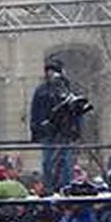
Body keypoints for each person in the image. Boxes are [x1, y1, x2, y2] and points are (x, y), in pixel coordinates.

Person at [30, 56, 80, 193]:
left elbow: (76, 110)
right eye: (48, 71)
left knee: (65, 161)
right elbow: (35, 111)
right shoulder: (41, 90)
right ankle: (49, 186)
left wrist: (76, 129)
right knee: (48, 160)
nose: (50, 74)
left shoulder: (67, 90)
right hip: (48, 131)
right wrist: (36, 129)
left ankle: (65, 186)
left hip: (64, 131)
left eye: (53, 71)